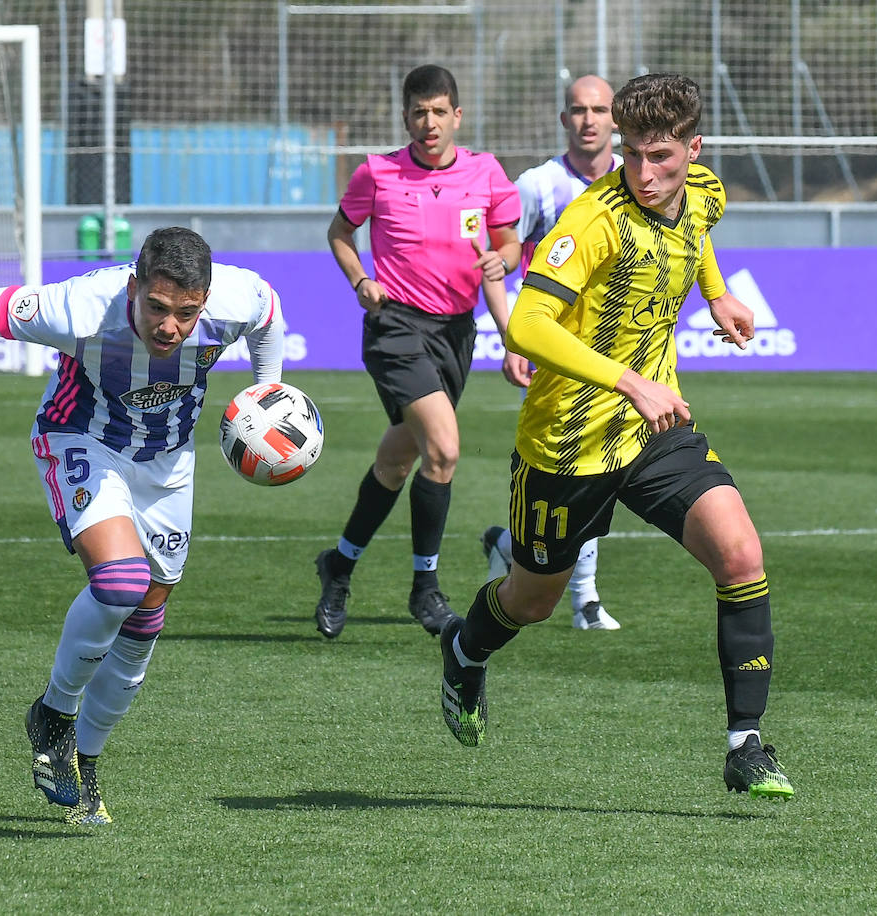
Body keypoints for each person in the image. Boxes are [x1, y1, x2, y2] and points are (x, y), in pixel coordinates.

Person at [438, 73, 794, 800]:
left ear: (694, 150)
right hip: (566, 444)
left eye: (660, 156)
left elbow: (696, 234)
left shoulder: (703, 192)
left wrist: (717, 292)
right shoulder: (593, 219)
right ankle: (464, 650)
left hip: (654, 429)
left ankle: (746, 744)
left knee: (740, 553)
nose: (643, 172)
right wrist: (629, 380)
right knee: (533, 601)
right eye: (632, 154)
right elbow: (528, 324)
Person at [0, 227, 285, 825]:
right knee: (120, 584)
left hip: (168, 463)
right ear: (134, 287)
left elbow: (268, 313)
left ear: (206, 298)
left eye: (187, 314)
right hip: (82, 440)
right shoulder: (82, 307)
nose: (170, 327)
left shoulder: (236, 298)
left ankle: (85, 760)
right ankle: (53, 712)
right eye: (157, 308)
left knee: (146, 617)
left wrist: (267, 394)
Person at [314, 64, 522, 640]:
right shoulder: (377, 173)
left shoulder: (485, 173)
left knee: (395, 462)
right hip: (395, 327)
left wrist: (505, 282)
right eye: (418, 113)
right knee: (445, 449)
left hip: (456, 334)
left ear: (457, 115)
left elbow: (506, 246)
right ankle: (425, 588)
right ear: (405, 118)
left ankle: (339, 565)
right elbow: (339, 231)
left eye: (438, 112)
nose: (429, 123)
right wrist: (360, 280)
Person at [482, 74, 623, 632]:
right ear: (564, 119)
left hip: (618, 352)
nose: (589, 120)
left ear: (615, 119)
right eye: (578, 110)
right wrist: (512, 336)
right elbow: (497, 260)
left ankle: (511, 551)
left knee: (601, 465)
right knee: (574, 469)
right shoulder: (538, 186)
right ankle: (584, 598)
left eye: (599, 109)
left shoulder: (633, 180)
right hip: (557, 353)